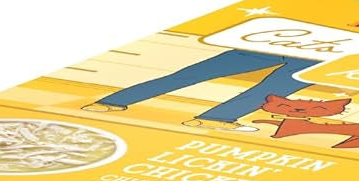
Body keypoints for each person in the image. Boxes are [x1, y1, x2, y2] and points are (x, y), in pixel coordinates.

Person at [86, 47, 320, 129]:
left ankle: (214, 119)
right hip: (297, 46)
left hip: (307, 48)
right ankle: (111, 102)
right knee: (275, 88)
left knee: (273, 89)